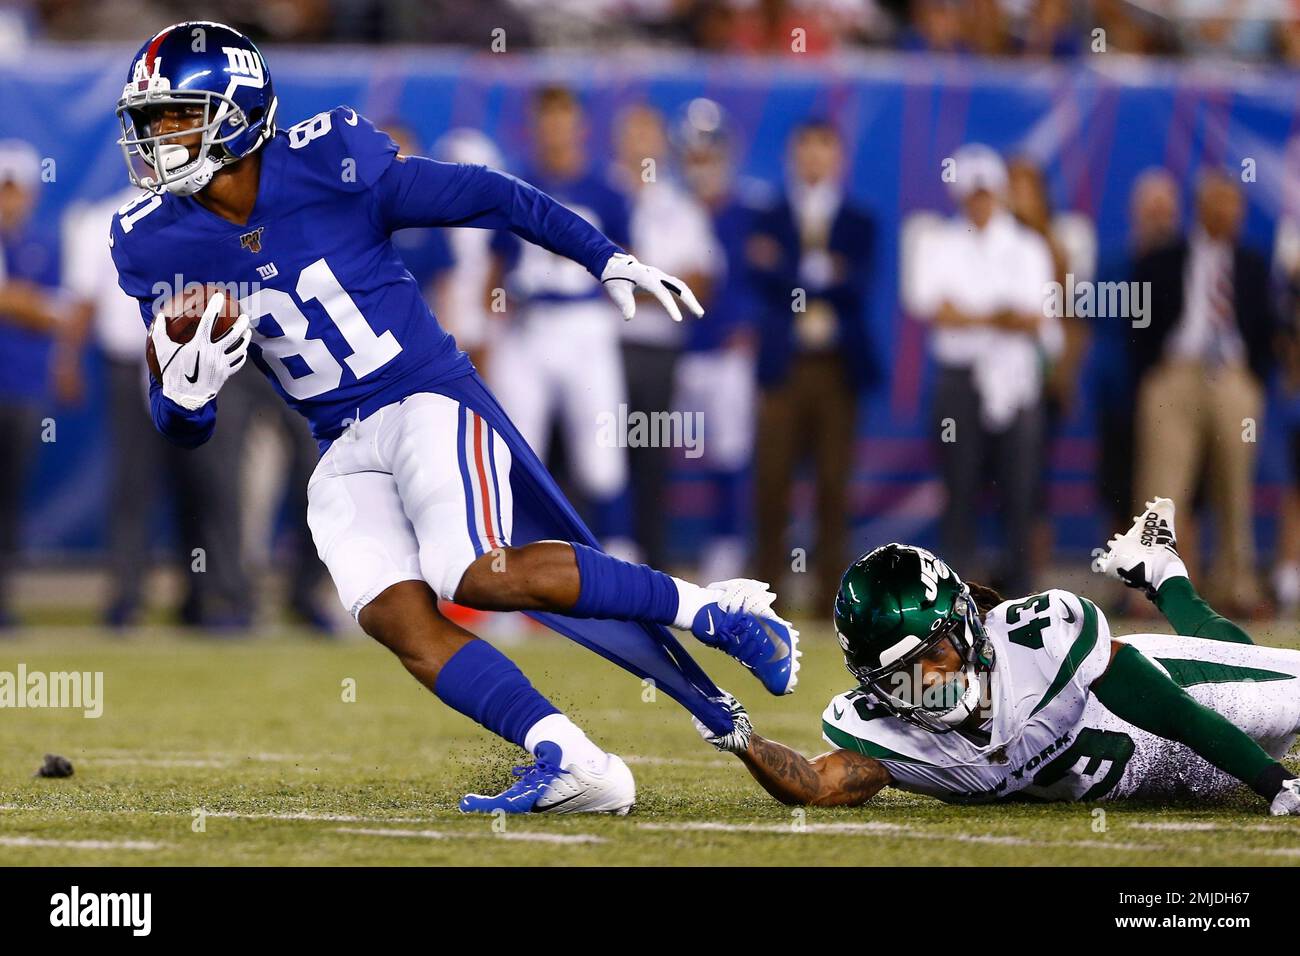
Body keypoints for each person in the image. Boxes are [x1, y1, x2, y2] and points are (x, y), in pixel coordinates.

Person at [110, 22, 799, 816]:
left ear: (235, 112)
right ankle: (575, 762)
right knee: (397, 616)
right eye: (149, 121)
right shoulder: (152, 243)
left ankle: (713, 610)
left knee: (473, 571)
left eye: (174, 116)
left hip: (425, 400)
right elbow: (181, 426)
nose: (156, 138)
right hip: (339, 441)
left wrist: (600, 253)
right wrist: (185, 399)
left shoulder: (330, 160)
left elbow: (487, 193)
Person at [693, 500, 1300, 816]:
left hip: (1162, 718)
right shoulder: (886, 732)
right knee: (1236, 656)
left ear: (965, 624)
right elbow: (819, 785)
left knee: (1252, 690)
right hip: (1135, 782)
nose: (928, 681)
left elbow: (1175, 712)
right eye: (900, 677)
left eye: (934, 654)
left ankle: (1163, 574)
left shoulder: (1039, 640)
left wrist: (1275, 783)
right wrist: (742, 739)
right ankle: (1161, 570)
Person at [486, 86, 635, 551]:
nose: (554, 131)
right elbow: (497, 268)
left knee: (603, 461)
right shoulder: (516, 186)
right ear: (533, 127)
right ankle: (508, 573)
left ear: (581, 127)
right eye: (546, 121)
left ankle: (623, 571)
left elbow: (629, 262)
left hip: (586, 325)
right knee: (516, 458)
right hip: (530, 326)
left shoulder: (607, 192)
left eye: (563, 120)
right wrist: (496, 319)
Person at [912, 143, 1061, 596]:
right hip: (959, 381)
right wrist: (999, 317)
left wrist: (972, 315)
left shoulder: (1028, 246)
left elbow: (1035, 317)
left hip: (1015, 382)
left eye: (986, 192)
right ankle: (959, 600)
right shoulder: (939, 241)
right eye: (971, 193)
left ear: (998, 193)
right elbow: (932, 307)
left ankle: (1019, 601)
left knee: (1019, 493)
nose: (978, 201)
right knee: (958, 491)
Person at [1132, 169, 1277, 615]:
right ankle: (1148, 587)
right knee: (1161, 487)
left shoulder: (1252, 263)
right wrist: (1152, 372)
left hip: (1232, 377)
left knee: (1235, 486)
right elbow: (1137, 322)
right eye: (1217, 202)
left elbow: (1265, 326)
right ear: (1200, 206)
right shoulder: (1164, 257)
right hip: (1175, 373)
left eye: (1233, 204)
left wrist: (1253, 377)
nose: (1225, 212)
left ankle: (1236, 585)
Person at [750, 119, 876, 614]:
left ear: (838, 157)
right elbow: (760, 276)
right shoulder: (771, 215)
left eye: (825, 148)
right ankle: (764, 600)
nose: (815, 159)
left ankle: (832, 604)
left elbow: (856, 287)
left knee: (832, 486)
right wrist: (824, 273)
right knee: (772, 484)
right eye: (806, 148)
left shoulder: (859, 221)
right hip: (785, 366)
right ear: (792, 156)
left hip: (836, 368)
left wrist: (794, 270)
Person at [611, 102, 713, 569]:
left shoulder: (680, 205)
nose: (640, 145)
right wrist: (653, 276)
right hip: (602, 344)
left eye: (648, 134)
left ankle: (651, 564)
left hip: (655, 348)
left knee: (650, 453)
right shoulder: (603, 194)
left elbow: (697, 282)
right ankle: (598, 557)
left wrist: (633, 276)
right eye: (632, 134)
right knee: (598, 457)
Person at [673, 98, 767, 583]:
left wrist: (748, 324)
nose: (701, 163)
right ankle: (650, 555)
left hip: (726, 351)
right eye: (694, 153)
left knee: (728, 456)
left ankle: (726, 553)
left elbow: (764, 283)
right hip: (675, 350)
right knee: (652, 447)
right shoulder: (667, 209)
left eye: (708, 153)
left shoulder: (747, 213)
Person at [0, 139, 77, 629]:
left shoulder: (43, 244)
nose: (8, 199)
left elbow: (62, 311)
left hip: (23, 390)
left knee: (10, 501)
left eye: (14, 189)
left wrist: (19, 302)